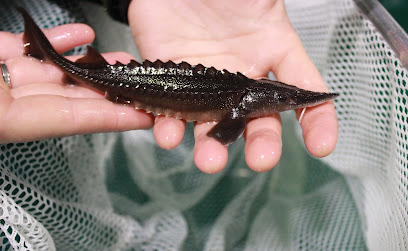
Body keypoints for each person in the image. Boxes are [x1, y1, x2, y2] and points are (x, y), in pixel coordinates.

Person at [0, 0, 338, 174]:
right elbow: (223, 133)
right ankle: (45, 53)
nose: (294, 101)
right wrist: (224, 134)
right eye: (288, 99)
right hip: (114, 79)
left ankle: (48, 55)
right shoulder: (240, 106)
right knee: (73, 69)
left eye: (292, 99)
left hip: (116, 72)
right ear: (263, 98)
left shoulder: (247, 96)